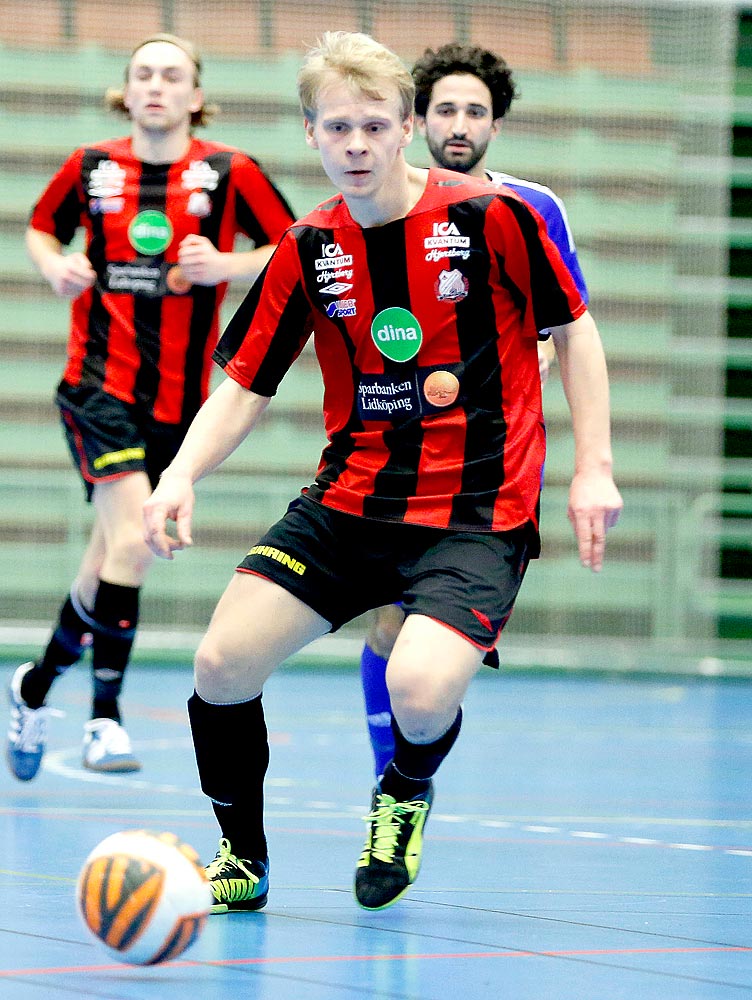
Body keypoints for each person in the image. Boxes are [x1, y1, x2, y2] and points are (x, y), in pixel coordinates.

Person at [141, 31, 621, 914]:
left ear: (407, 128)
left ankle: (402, 787)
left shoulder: (491, 218)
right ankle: (242, 856)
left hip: (477, 511)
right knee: (219, 668)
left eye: (372, 126)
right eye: (336, 129)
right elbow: (243, 385)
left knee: (419, 687)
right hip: (350, 503)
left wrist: (593, 466)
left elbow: (575, 330)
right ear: (312, 136)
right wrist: (179, 475)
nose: (355, 145)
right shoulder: (306, 248)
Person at [10, 33, 293, 781]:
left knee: (107, 560)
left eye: (173, 75)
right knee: (133, 544)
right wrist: (56, 266)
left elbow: (292, 246)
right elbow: (41, 227)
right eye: (144, 75)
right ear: (127, 93)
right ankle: (105, 720)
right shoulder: (92, 167)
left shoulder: (232, 172)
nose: (158, 86)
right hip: (97, 387)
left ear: (195, 95)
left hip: (179, 405)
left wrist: (229, 263)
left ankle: (34, 684)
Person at [358, 42, 592, 778]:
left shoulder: (531, 207)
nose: (459, 125)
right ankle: (387, 778)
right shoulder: (377, 203)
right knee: (385, 624)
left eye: (475, 112)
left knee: (428, 633)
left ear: (496, 123)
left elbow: (568, 319)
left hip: (489, 460)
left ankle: (406, 774)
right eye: (446, 110)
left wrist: (541, 355)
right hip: (393, 446)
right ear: (417, 119)